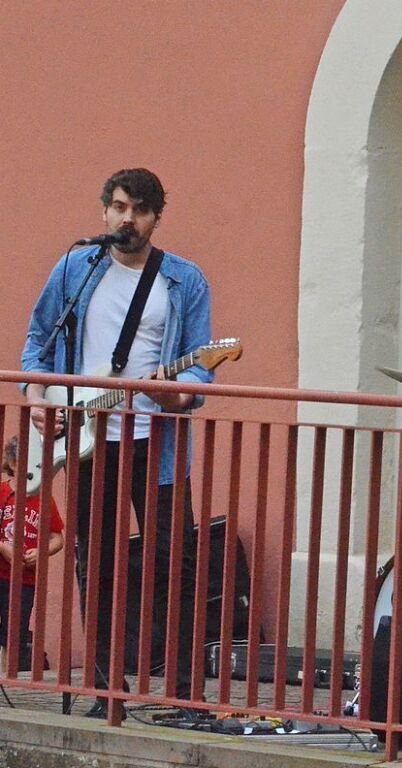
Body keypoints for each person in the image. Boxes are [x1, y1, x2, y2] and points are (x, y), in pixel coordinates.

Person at [21, 168, 213, 716]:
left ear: (156, 217)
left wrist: (178, 396)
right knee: (95, 561)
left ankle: (181, 690)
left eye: (141, 210)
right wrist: (40, 398)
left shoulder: (183, 280)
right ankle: (103, 689)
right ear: (104, 209)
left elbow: (201, 365)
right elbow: (38, 342)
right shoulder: (75, 269)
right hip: (86, 442)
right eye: (120, 207)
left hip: (157, 442)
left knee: (173, 558)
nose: (128, 219)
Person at [0, 436, 65, 670]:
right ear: (13, 463)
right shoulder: (3, 492)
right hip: (1, 570)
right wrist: (3, 546)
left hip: (24, 578)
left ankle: (8, 674)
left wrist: (41, 552)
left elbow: (57, 537)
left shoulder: (43, 498)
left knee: (13, 630)